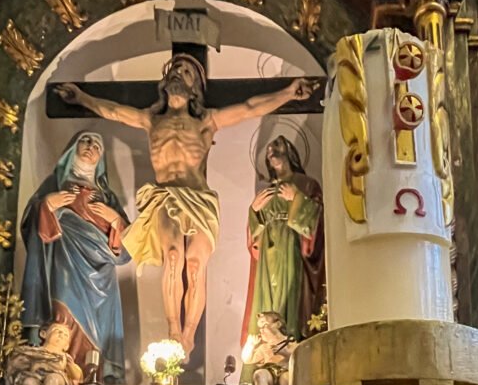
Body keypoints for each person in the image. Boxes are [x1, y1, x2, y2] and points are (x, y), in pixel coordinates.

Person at [57, 59, 317, 359]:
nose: (180, 73)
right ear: (165, 78)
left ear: (195, 88)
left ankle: (189, 333)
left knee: (194, 267)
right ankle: (172, 330)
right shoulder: (150, 120)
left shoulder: (207, 121)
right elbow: (113, 111)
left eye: (188, 72)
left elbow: (249, 107)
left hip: (199, 199)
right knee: (172, 258)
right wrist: (82, 98)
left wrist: (287, 93)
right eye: (176, 69)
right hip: (166, 196)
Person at [20, 131, 129, 383]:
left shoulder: (107, 196)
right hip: (66, 260)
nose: (91, 146)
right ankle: (57, 374)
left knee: (98, 333)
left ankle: (91, 379)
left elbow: (129, 246)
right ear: (73, 148)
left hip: (102, 276)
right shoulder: (55, 184)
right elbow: (31, 223)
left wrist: (115, 220)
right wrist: (47, 204)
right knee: (62, 314)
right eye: (86, 141)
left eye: (97, 145)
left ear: (101, 158)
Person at [241, 136, 324, 347]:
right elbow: (254, 240)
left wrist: (296, 198)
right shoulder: (266, 190)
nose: (272, 151)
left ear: (290, 152)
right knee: (267, 298)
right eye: (268, 150)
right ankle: (266, 350)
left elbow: (319, 220)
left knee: (291, 292)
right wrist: (255, 212)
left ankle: (290, 344)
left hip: (293, 249)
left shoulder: (307, 184)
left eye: (276, 146)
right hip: (268, 256)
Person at [248, 311, 296, 385]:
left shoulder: (289, 342)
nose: (262, 330)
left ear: (278, 324)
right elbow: (248, 359)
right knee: (259, 375)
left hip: (284, 370)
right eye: (260, 328)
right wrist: (251, 345)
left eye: (264, 325)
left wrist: (285, 353)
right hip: (269, 370)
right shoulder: (264, 347)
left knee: (287, 380)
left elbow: (296, 355)